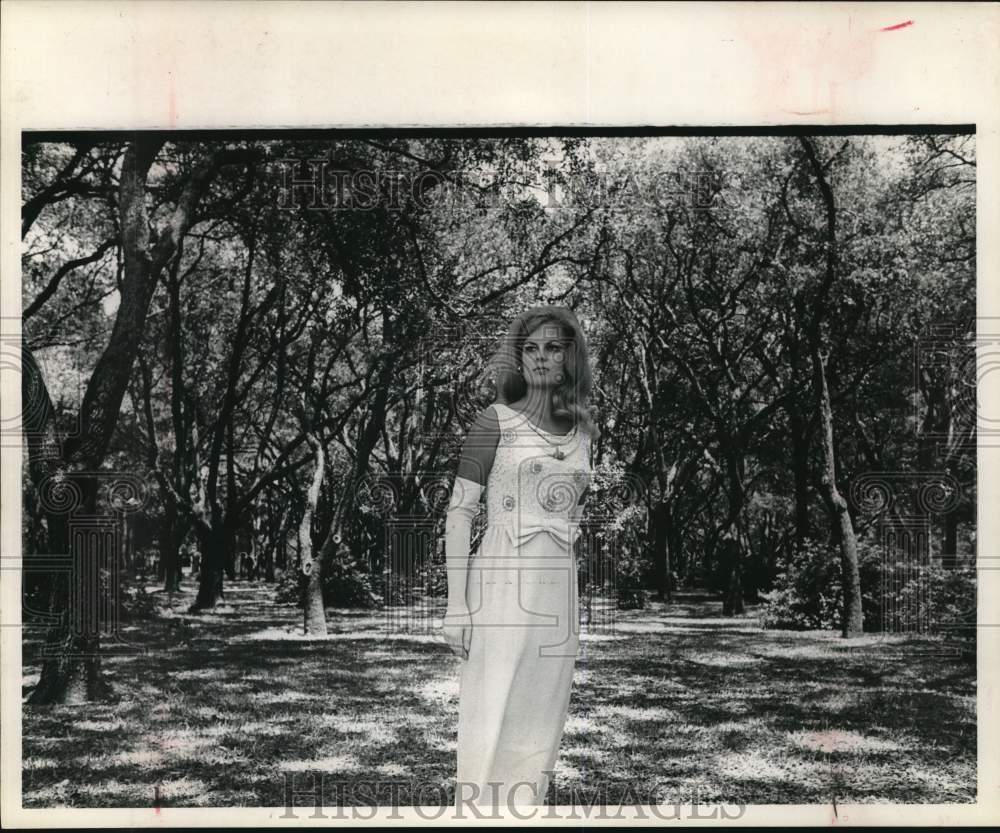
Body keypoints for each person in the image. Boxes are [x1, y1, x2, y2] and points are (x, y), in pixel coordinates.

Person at [438, 305, 599, 809]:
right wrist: (456, 606)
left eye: (553, 347)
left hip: (558, 592)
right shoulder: (496, 421)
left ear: (571, 357)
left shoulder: (583, 432)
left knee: (540, 722)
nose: (540, 358)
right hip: (501, 581)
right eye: (530, 348)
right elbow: (460, 514)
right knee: (491, 712)